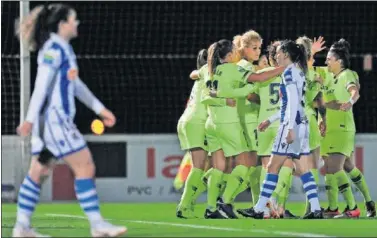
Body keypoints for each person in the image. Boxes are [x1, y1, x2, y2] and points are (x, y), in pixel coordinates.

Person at [13, 4, 127, 237]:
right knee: (85, 166)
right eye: (73, 20)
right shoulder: (54, 49)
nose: (77, 24)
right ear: (62, 24)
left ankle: (21, 227)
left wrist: (100, 109)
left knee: (38, 172)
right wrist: (29, 120)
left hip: (51, 124)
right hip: (56, 123)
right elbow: (41, 87)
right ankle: (97, 226)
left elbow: (75, 86)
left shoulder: (63, 49)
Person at [243, 40, 324, 219]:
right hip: (302, 124)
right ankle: (316, 209)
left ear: (286, 54)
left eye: (279, 52)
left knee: (272, 166)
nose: (276, 55)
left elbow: (293, 102)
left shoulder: (288, 72)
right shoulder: (300, 72)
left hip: (292, 125)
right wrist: (270, 119)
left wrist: (289, 128)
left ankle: (258, 209)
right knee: (303, 169)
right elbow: (291, 105)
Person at [176, 48, 233, 218]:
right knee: (200, 167)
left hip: (189, 120)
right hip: (197, 121)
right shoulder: (210, 72)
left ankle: (190, 202)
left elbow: (193, 74)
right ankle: (184, 206)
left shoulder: (202, 73)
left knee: (212, 166)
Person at [322, 39, 367, 218]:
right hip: (330, 128)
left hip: (342, 127)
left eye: (329, 59)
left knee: (335, 167)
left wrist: (349, 102)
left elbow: (354, 92)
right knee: (334, 168)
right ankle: (335, 207)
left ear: (338, 61)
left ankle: (353, 207)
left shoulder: (346, 74)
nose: (326, 62)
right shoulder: (331, 77)